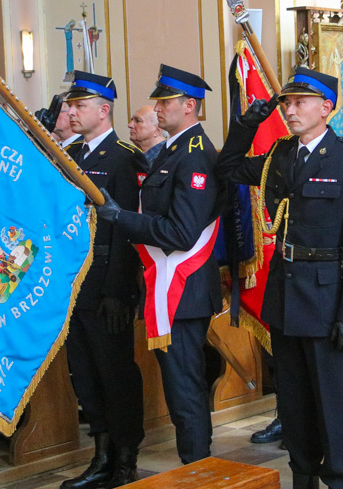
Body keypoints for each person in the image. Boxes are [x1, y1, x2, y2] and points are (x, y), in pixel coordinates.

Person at [216, 66, 343, 489]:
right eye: (286, 102)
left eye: (299, 102)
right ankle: (303, 475)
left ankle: (342, 480)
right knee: (293, 401)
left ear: (326, 108)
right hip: (285, 295)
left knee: (331, 404)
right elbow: (228, 168)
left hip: (328, 298)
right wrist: (246, 124)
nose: (289, 110)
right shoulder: (281, 155)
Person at [95, 65, 222, 465]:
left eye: (165, 101)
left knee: (184, 388)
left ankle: (197, 468)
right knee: (179, 386)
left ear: (189, 106)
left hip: (184, 288)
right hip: (169, 288)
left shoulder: (195, 156)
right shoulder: (174, 150)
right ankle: (195, 463)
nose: (158, 106)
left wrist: (120, 218)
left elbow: (183, 232)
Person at [60, 72, 148, 489]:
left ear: (103, 110)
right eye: (69, 106)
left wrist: (118, 290)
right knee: (85, 371)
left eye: (79, 106)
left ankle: (126, 458)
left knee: (115, 373)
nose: (70, 112)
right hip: (72, 283)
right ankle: (101, 454)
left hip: (106, 282)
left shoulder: (123, 157)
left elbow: (127, 230)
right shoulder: (71, 154)